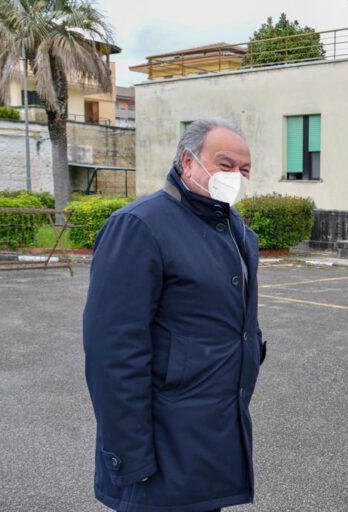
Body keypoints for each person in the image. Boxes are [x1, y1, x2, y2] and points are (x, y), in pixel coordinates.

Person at [83, 118, 265, 512]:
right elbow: (113, 353)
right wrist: (129, 456)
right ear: (188, 162)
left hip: (209, 443)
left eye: (244, 169)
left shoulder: (234, 230)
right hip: (162, 449)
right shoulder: (139, 226)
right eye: (225, 164)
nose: (236, 176)